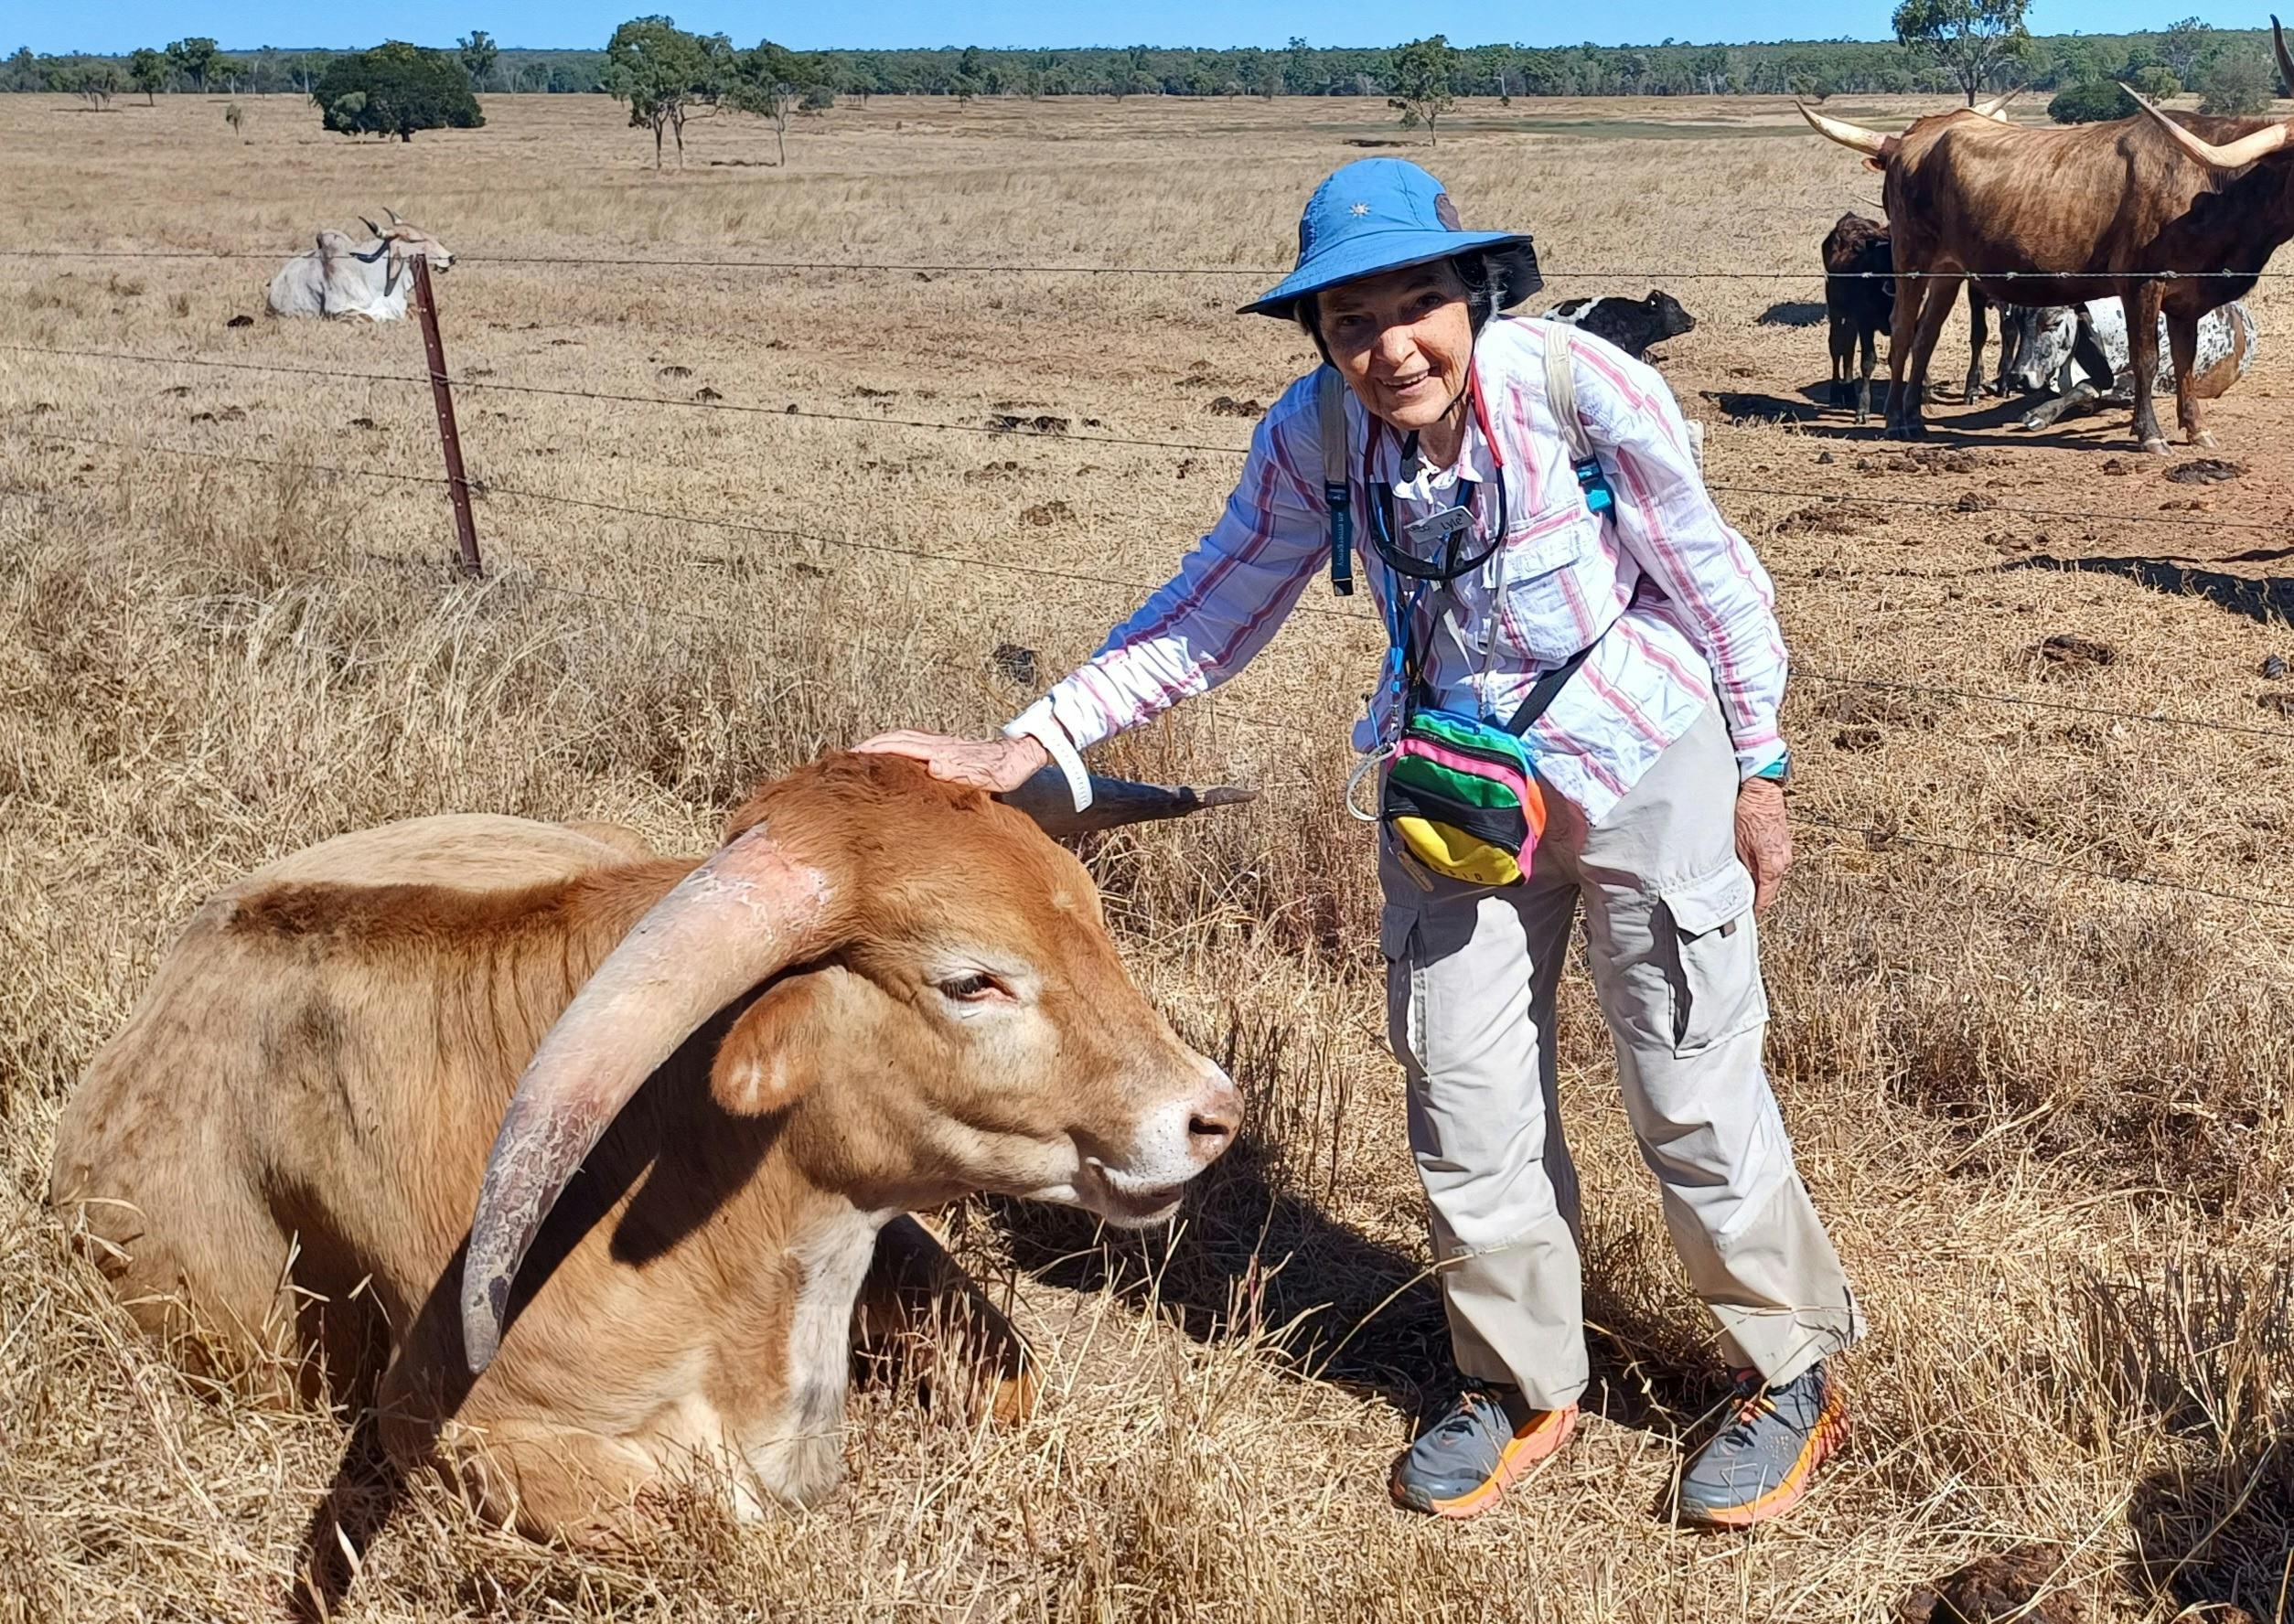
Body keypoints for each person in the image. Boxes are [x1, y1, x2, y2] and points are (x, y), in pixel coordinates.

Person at [861, 158, 1863, 1529]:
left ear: (1475, 293)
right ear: (1320, 335)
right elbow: (1209, 606)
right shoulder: (1315, 435)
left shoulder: (1581, 390)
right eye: (1349, 322)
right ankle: (1520, 1382)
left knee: (1690, 1089)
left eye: (1419, 305)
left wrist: (1759, 765)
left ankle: (1786, 1370)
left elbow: (1713, 574)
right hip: (1454, 791)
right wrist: (1035, 743)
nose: (1390, 346)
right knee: (1461, 1092)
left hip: (1641, 756)